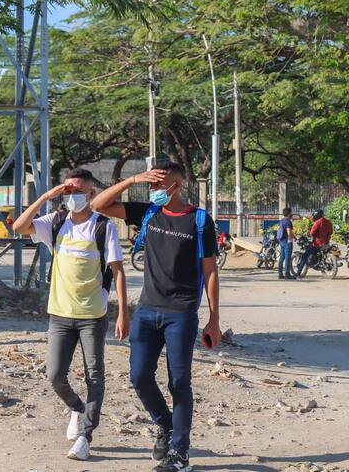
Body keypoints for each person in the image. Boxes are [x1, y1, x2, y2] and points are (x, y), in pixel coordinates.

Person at [91, 161, 220, 472]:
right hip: (147, 311)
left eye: (159, 185)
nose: (154, 190)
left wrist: (214, 319)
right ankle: (166, 425)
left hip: (181, 313)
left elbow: (210, 270)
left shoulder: (200, 220)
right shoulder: (148, 212)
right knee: (139, 376)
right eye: (151, 185)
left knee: (179, 382)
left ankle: (180, 453)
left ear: (178, 185)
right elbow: (98, 204)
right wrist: (132, 179)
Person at [11, 168, 129, 462]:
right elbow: (20, 227)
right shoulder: (56, 222)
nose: (73, 196)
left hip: (92, 315)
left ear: (90, 194)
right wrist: (46, 196)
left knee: (95, 375)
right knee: (54, 374)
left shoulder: (103, 227)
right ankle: (77, 408)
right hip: (60, 314)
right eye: (68, 190)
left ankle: (85, 437)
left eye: (78, 191)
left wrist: (123, 314)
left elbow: (118, 271)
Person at [296, 209, 333, 278]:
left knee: (304, 256)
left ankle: (298, 274)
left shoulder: (317, 222)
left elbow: (312, 233)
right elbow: (331, 232)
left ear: (316, 215)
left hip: (317, 243)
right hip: (326, 243)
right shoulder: (328, 222)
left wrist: (308, 234)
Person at [277, 207, 296, 279]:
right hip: (287, 241)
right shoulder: (288, 222)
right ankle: (287, 274)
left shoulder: (281, 221)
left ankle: (280, 274)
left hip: (281, 241)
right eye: (291, 212)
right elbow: (289, 232)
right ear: (289, 213)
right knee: (288, 258)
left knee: (282, 257)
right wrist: (292, 238)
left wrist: (294, 237)